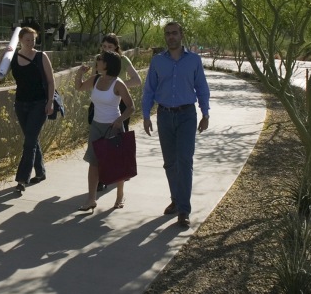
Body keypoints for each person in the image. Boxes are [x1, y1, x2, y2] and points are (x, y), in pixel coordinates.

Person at [142, 22, 210, 228]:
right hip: (164, 115)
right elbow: (149, 90)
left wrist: (205, 113)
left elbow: (202, 88)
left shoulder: (194, 61)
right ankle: (176, 199)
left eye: (174, 33)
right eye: (167, 34)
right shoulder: (157, 61)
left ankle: (184, 210)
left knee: (184, 162)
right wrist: (146, 115)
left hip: (187, 115)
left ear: (181, 35)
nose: (171, 37)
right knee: (170, 162)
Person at [74, 50, 135, 212]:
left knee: (117, 163)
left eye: (100, 59)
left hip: (113, 127)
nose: (97, 61)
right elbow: (78, 87)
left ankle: (120, 196)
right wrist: (79, 73)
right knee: (93, 163)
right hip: (96, 126)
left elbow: (131, 107)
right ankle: (91, 199)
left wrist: (119, 121)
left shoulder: (118, 83)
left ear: (107, 64)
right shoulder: (95, 79)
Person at [0, 27, 55, 194]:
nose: (31, 43)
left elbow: (51, 82)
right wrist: (2, 54)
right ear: (20, 40)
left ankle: (22, 179)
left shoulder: (41, 56)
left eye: (33, 40)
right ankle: (40, 172)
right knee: (31, 139)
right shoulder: (13, 57)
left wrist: (50, 102)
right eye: (27, 40)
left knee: (29, 142)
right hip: (21, 104)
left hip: (39, 103)